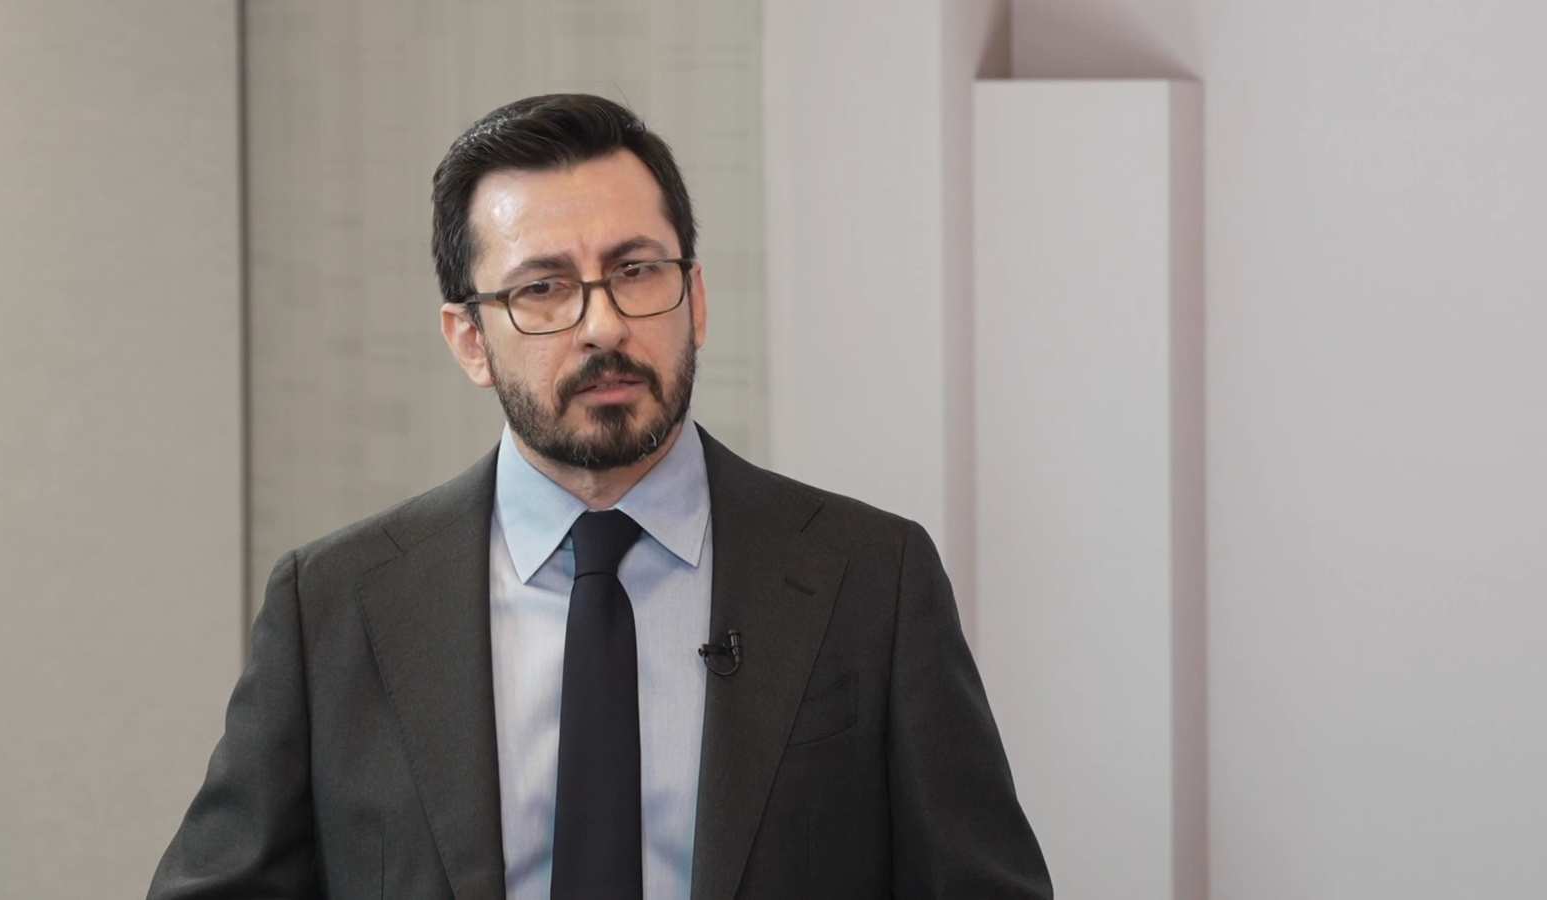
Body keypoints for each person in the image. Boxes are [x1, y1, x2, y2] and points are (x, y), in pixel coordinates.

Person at [148, 93, 1051, 900]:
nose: (605, 326)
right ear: (470, 340)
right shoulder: (334, 603)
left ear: (696, 299)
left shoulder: (871, 578)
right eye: (543, 289)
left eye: (636, 271)